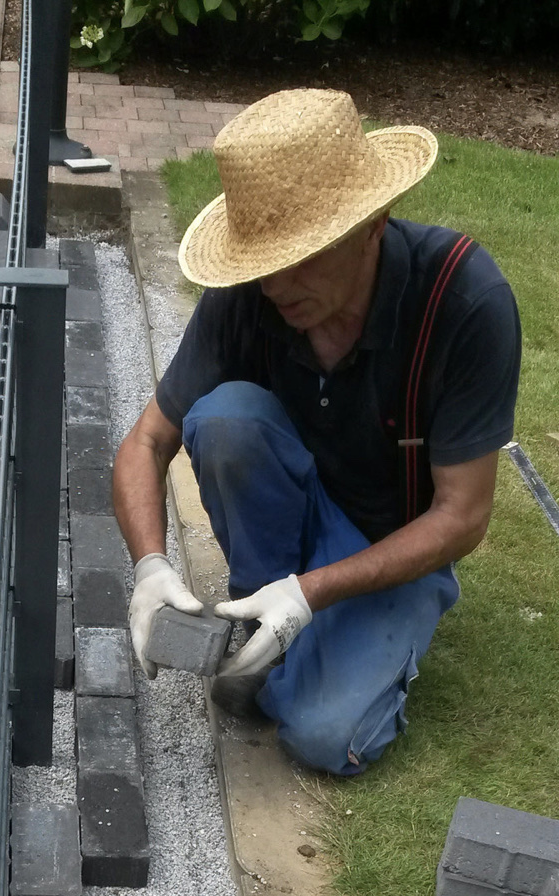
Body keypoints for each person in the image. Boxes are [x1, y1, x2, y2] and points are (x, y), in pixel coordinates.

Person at [113, 88, 521, 776]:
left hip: (394, 544)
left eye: (304, 255)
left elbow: (463, 516)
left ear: (372, 224)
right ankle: (266, 611)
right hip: (293, 506)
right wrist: (149, 566)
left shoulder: (462, 301)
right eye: (265, 260)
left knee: (326, 739)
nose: (278, 284)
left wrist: (310, 593)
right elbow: (146, 443)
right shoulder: (249, 292)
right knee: (224, 418)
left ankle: (298, 640)